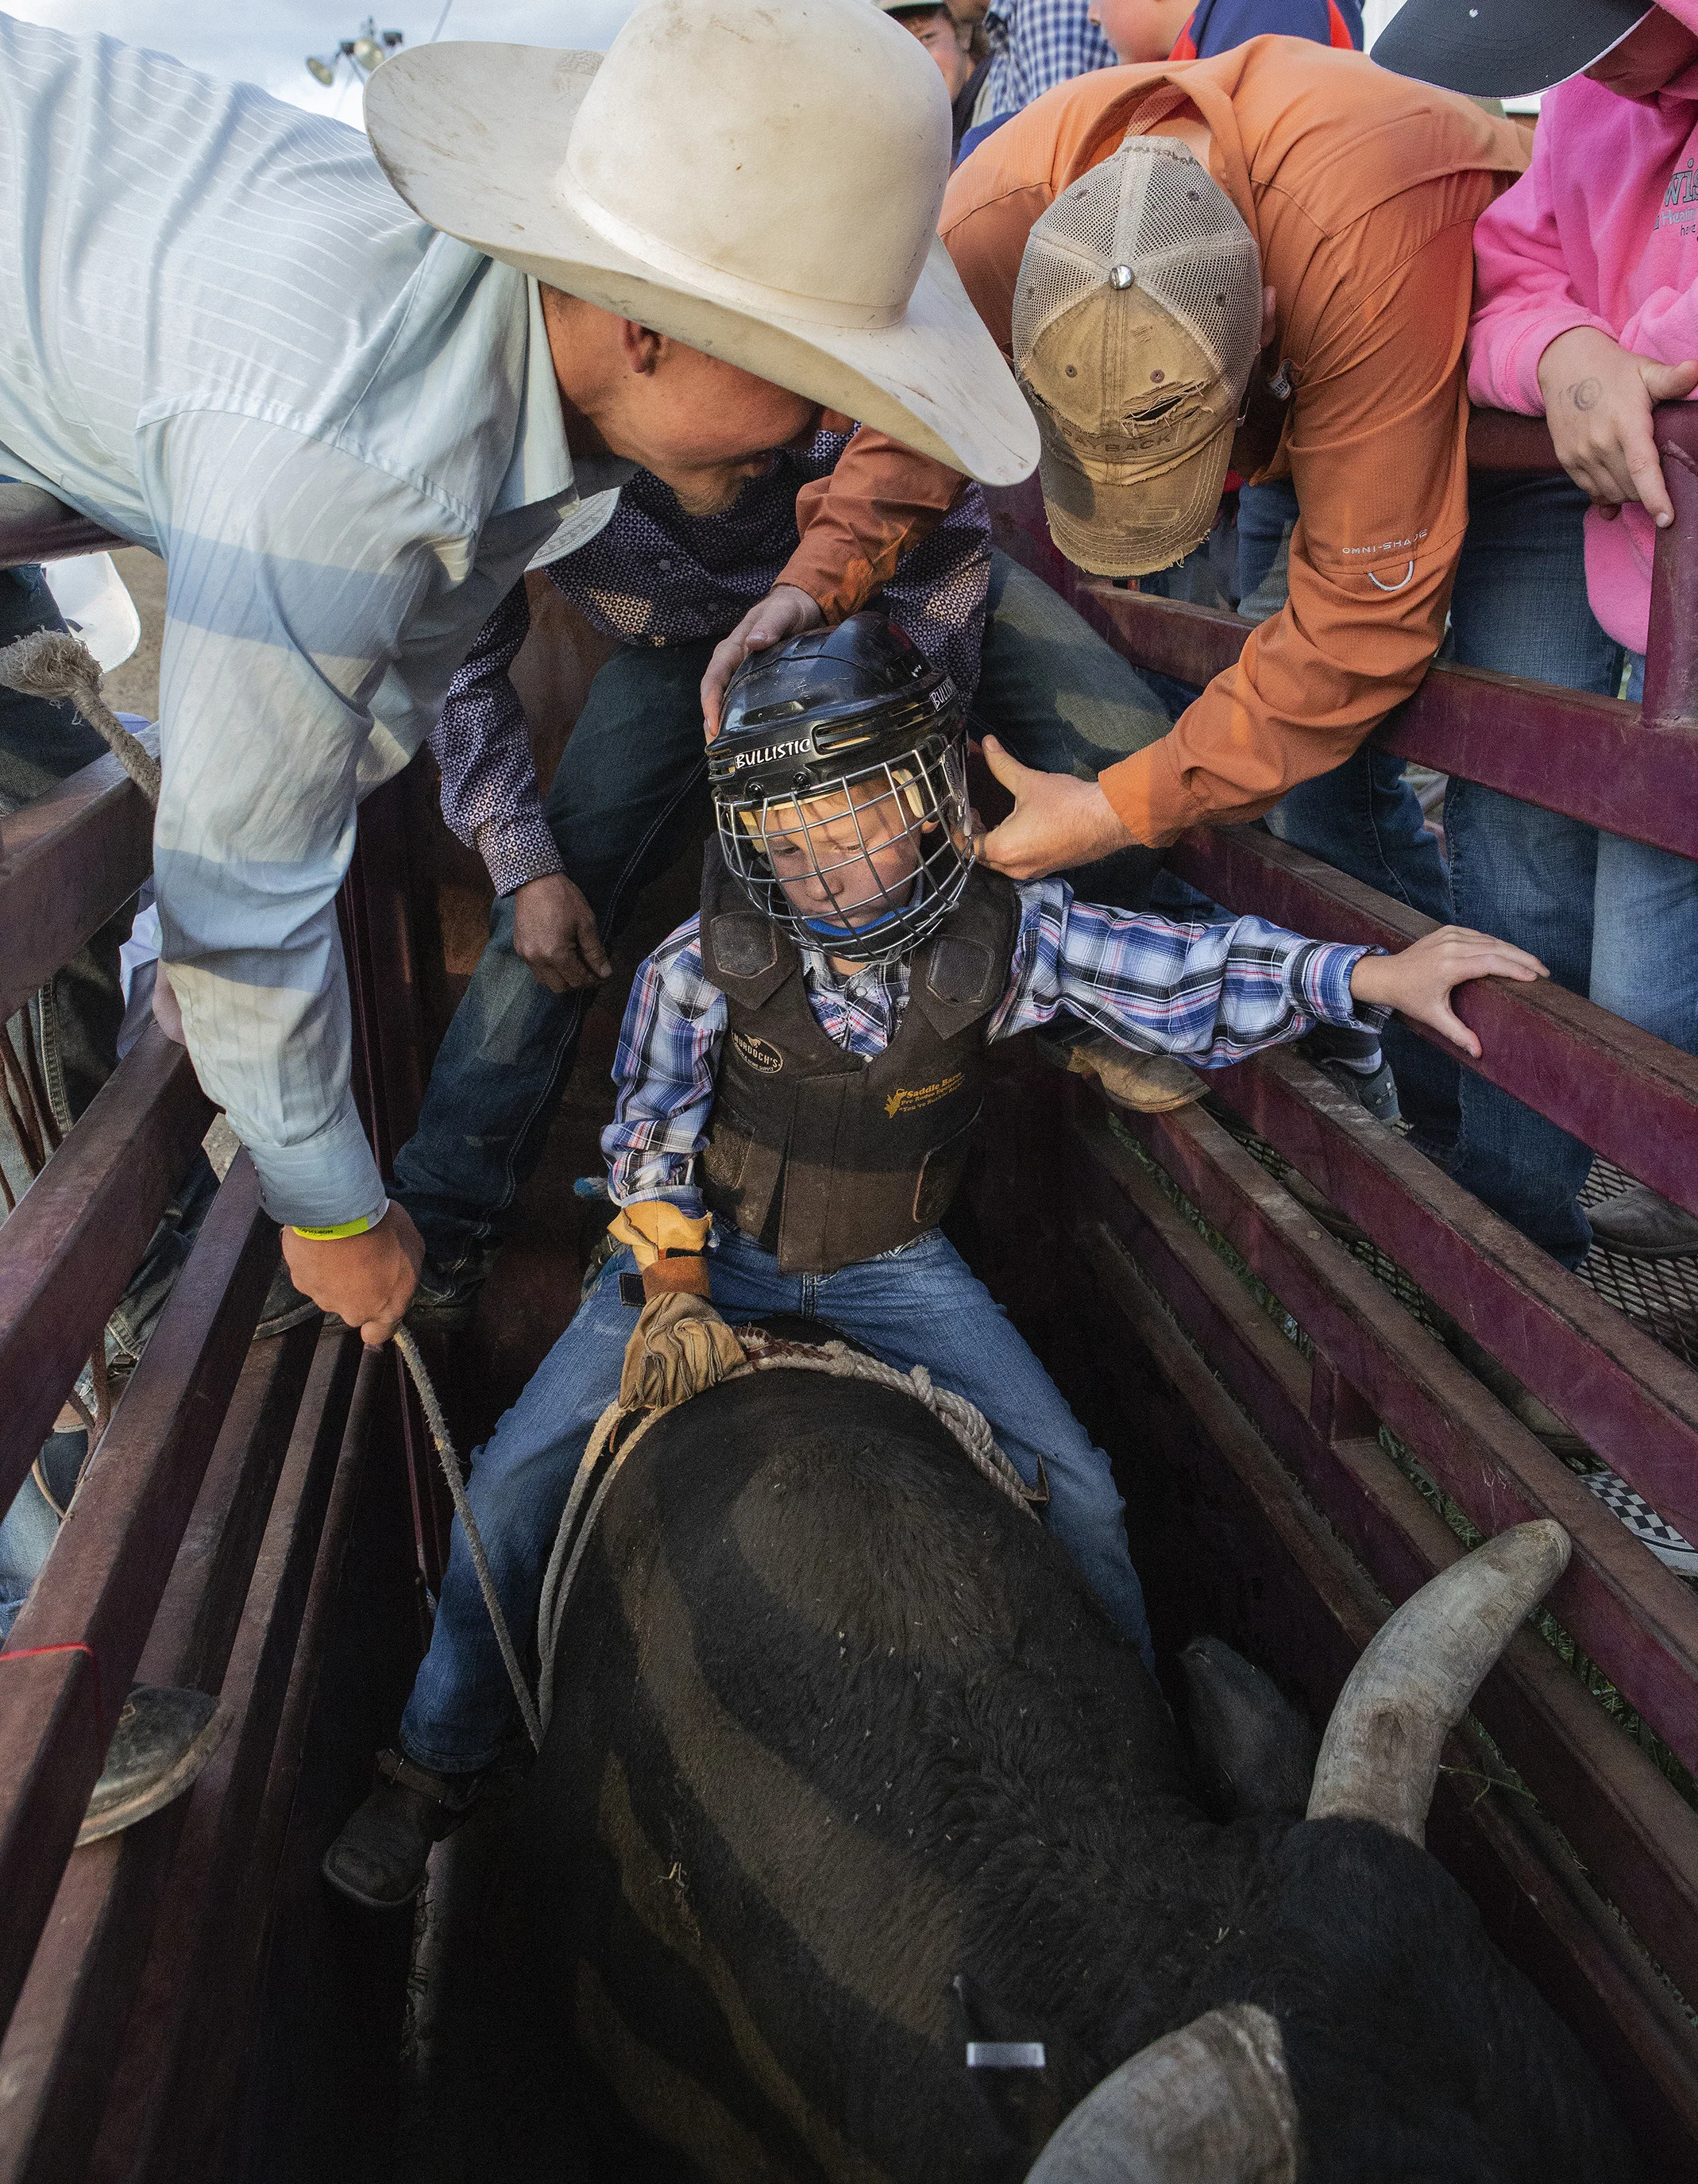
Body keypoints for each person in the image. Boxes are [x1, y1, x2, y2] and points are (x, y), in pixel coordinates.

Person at [322, 612, 1545, 1908]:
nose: (821, 865)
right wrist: (670, 1284)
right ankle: (430, 1768)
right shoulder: (700, 965)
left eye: (851, 819)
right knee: (506, 1495)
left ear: (920, 799)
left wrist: (1366, 978)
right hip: (703, 1258)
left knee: (1080, 1491)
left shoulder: (1002, 939)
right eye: (784, 840)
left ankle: (1140, 1781)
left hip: (890, 1263)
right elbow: (648, 1127)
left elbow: (1182, 970)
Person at [0, 0, 1038, 1348]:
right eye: (801, 371)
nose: (821, 422)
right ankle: (119, 1341)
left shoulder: (505, 377)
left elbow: (384, 696)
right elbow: (239, 885)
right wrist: (331, 1213)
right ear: (649, 329)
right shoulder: (354, 459)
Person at [394, 444, 1178, 1322]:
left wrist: (910, 727)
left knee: (1124, 753)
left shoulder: (776, 382)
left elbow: (934, 511)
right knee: (540, 902)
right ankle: (439, 1223)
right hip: (688, 653)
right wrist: (521, 859)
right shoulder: (494, 453)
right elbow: (461, 663)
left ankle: (1085, 993)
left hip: (890, 597)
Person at [934, 41, 1527, 1154]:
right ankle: (1374, 1056)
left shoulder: (1356, 228)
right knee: (1317, 776)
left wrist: (1112, 809)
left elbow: (1357, 630)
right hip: (1337, 402)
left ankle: (1490, 1179)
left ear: (1259, 318)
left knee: (1516, 820)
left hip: (1506, 401)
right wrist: (818, 579)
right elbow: (902, 423)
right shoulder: (991, 217)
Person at [1377, 0, 1698, 1266]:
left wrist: (1628, 351)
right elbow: (1511, 275)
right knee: (1551, 873)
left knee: (1645, 985)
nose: (1576, 60)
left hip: (1654, 545)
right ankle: (1523, 1235)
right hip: (1632, 549)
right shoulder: (1585, 97)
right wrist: (1563, 351)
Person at [880, 1, 998, 154]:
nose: (917, 61)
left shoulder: (996, 87)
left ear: (964, 34)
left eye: (927, 38)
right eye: (901, 46)